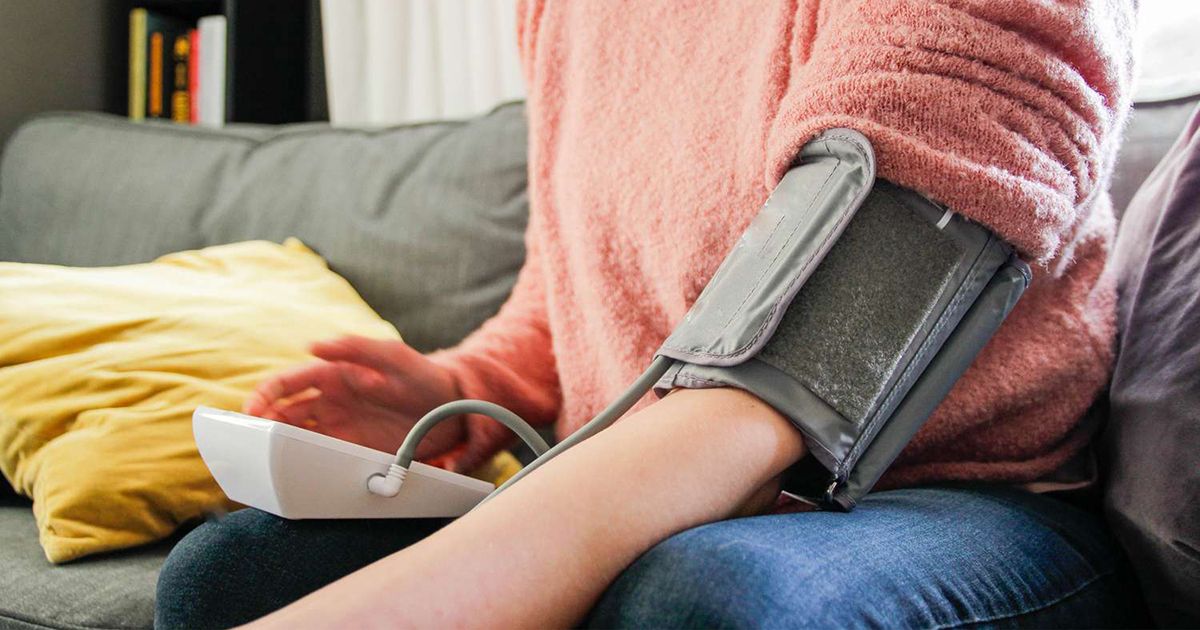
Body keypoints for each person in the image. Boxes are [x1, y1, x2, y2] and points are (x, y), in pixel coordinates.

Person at [156, 1, 1147, 627]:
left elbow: (783, 391)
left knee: (704, 604)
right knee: (236, 573)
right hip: (675, 472)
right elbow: (569, 288)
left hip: (945, 492)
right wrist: (464, 390)